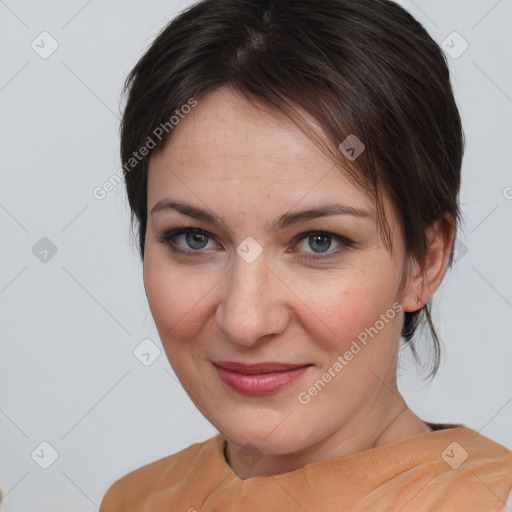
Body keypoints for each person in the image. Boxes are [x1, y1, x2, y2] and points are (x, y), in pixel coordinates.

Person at [99, 0, 512, 509]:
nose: (245, 321)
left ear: (424, 261)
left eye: (320, 241)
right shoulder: (135, 501)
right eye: (194, 238)